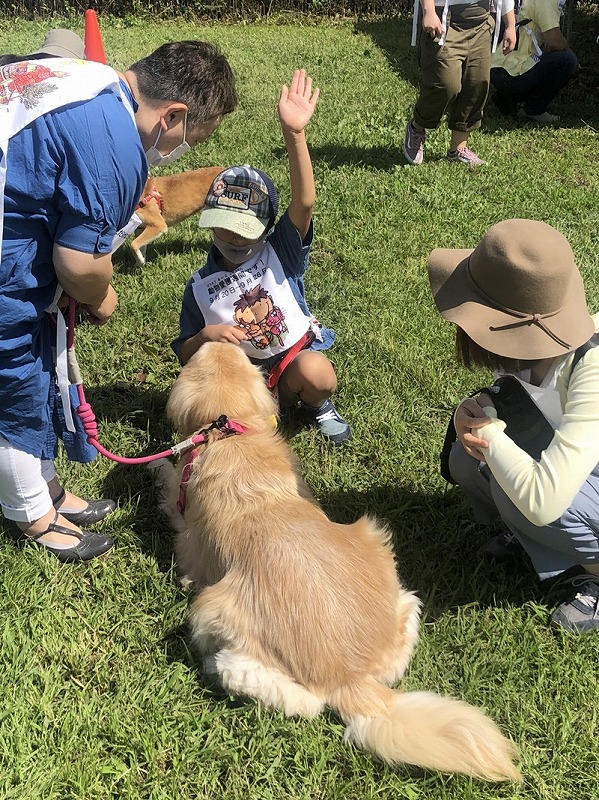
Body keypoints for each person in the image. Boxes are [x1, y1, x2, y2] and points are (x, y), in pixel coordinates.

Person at [0, 40, 237, 562]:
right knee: (16, 392)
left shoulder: (90, 78)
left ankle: (49, 492)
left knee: (39, 375)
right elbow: (79, 262)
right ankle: (33, 516)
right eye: (190, 140)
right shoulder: (115, 144)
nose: (180, 152)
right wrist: (102, 298)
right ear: (172, 116)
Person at [428, 219, 599, 633]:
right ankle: (529, 539)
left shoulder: (591, 366)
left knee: (522, 494)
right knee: (467, 460)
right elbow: (522, 390)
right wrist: (480, 406)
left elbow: (543, 499)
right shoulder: (529, 347)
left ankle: (593, 574)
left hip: (576, 475)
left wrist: (488, 434)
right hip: (579, 458)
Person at [172, 69, 351, 445]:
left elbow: (304, 202)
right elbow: (186, 354)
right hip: (244, 385)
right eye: (225, 226)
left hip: (289, 367)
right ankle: (264, 416)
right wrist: (205, 336)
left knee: (319, 373)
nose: (234, 238)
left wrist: (295, 135)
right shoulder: (200, 288)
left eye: (246, 229)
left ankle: (316, 405)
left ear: (268, 227)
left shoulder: (280, 252)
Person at [403, 0, 516, 166]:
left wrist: (510, 25)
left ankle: (458, 147)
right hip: (445, 19)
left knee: (476, 82)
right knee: (445, 84)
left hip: (481, 20)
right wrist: (428, 10)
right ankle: (417, 127)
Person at [489, 0, 577, 123]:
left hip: (501, 68)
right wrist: (575, 62)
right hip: (511, 70)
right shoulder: (547, 2)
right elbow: (554, 41)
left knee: (553, 59)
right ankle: (534, 110)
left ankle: (508, 98)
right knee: (567, 60)